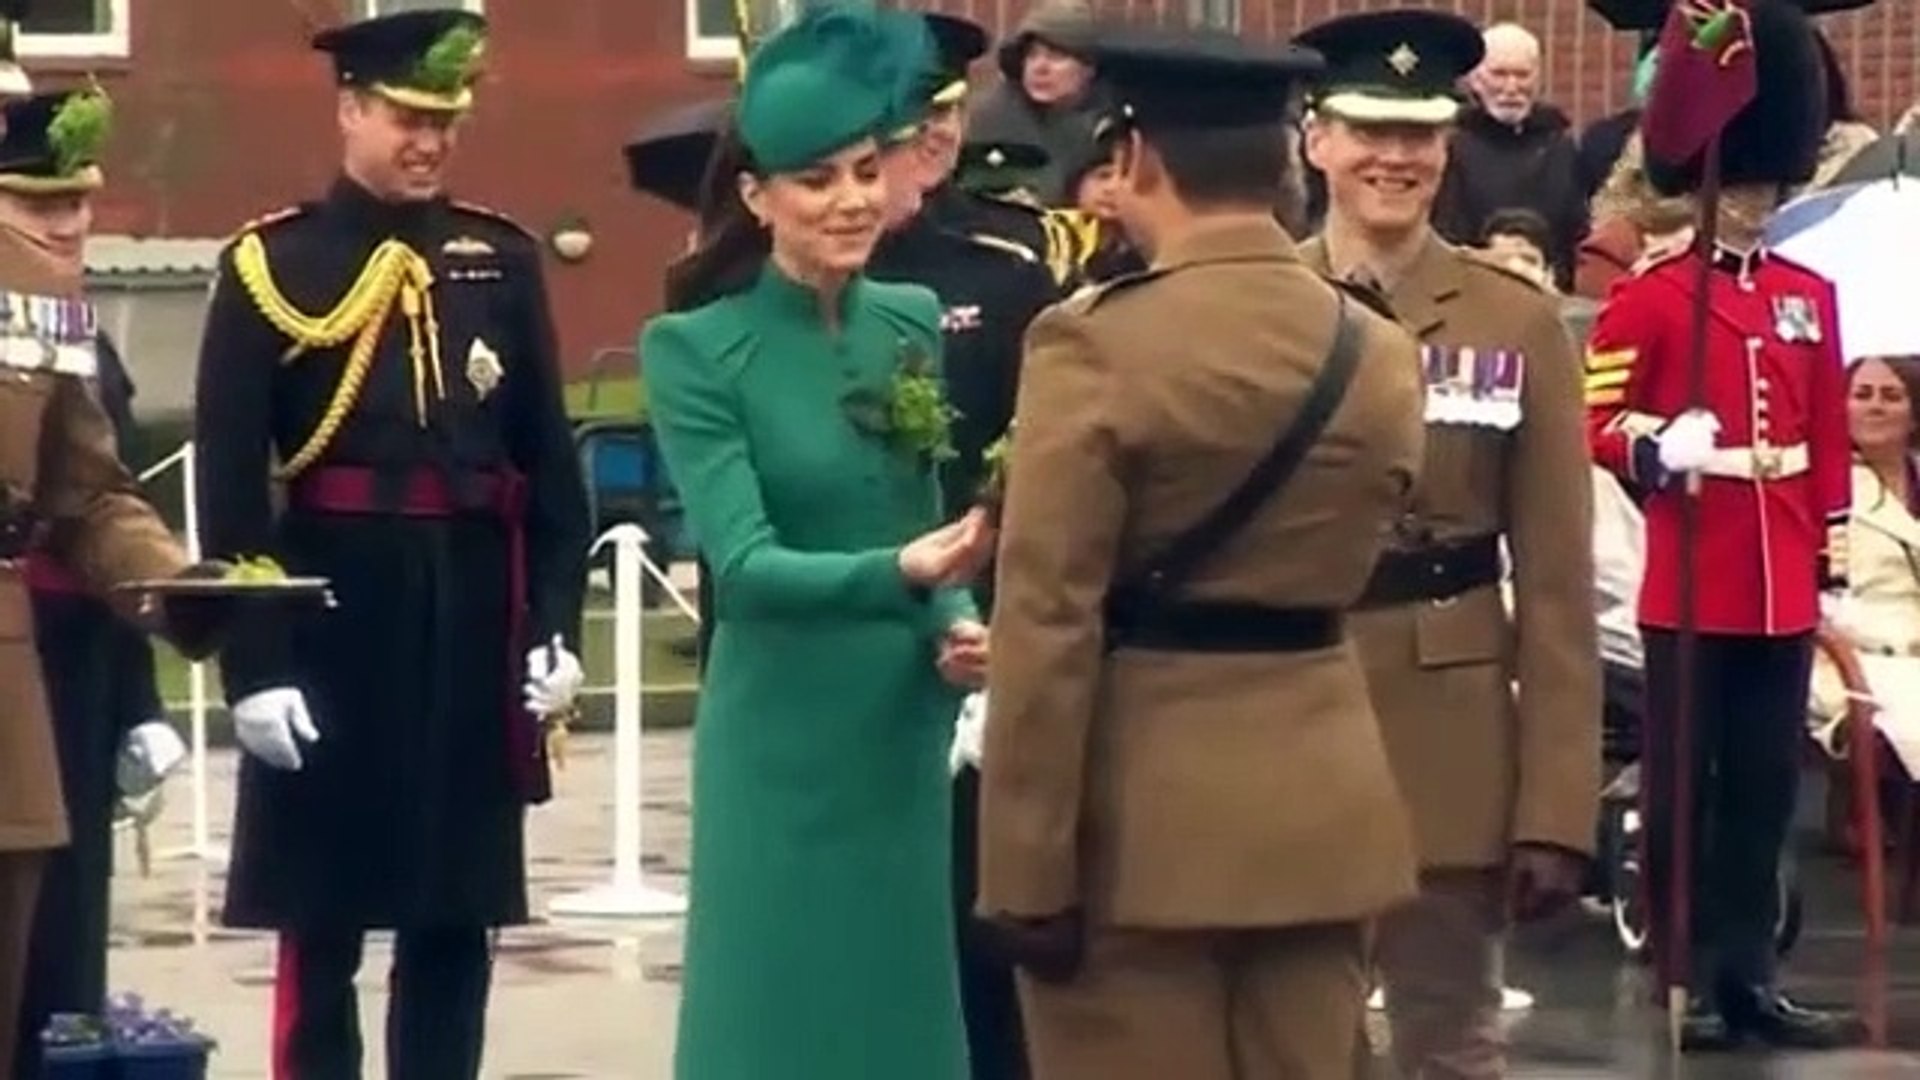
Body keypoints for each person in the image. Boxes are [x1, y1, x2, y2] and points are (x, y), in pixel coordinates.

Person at [976, 24, 1429, 1080]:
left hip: (1140, 826)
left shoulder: (1095, 340)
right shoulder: (1377, 345)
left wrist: (1025, 870)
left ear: (1135, 155)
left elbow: (1047, 617)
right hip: (1324, 808)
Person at [192, 9, 591, 1076]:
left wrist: (555, 629)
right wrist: (254, 667)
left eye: (445, 123)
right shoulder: (274, 261)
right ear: (351, 110)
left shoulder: (499, 259)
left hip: (469, 611)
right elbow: (229, 488)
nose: (429, 143)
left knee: (455, 914)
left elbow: (551, 472)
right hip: (331, 608)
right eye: (408, 119)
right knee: (321, 915)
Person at [640, 7, 994, 1077]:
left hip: (899, 724)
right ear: (757, 197)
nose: (851, 200)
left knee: (897, 999)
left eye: (865, 171)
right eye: (816, 180)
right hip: (781, 730)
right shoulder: (696, 349)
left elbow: (917, 509)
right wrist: (904, 574)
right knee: (778, 1003)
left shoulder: (910, 320)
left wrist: (957, 620)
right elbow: (744, 569)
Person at [1294, 12, 1601, 1077]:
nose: (1396, 157)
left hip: (1451, 731)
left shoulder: (1515, 321)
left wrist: (1556, 810)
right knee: (1295, 1041)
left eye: (1419, 135)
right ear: (1316, 140)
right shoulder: (1260, 304)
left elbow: (1558, 586)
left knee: (1449, 1043)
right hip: (1286, 707)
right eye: (1368, 130)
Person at [1583, 0, 1854, 1050]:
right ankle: (1684, 968)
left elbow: (1825, 437)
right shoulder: (1653, 297)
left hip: (1780, 573)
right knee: (1684, 792)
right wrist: (1660, 445)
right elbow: (1598, 420)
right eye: (1740, 188)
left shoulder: (1806, 295)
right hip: (1695, 572)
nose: (1753, 207)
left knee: (1763, 791)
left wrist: (1829, 559)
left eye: (1765, 190)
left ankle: (1750, 975)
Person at [0, 80, 225, 1071]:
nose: (64, 226)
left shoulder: (37, 300)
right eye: (37, 204)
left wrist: (174, 584)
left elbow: (86, 492)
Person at [864, 18, 1059, 1080]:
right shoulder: (788, 271)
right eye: (914, 113)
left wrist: (1011, 627)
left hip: (976, 643)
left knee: (980, 938)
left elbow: (1047, 470)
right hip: (847, 625)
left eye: (947, 109)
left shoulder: (1009, 270)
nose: (937, 132)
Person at [1432, 22, 1587, 291]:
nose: (1511, 87)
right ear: (1475, 78)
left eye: (1522, 75)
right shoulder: (1450, 145)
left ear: (1538, 78)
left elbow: (1577, 231)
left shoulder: (1560, 146)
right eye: (1499, 74)